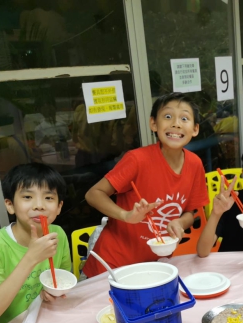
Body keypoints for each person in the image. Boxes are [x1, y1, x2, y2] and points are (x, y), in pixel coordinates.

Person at [82, 93, 209, 277]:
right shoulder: (137, 159)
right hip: (113, 264)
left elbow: (191, 212)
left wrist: (180, 222)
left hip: (155, 264)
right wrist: (125, 215)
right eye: (168, 116)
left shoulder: (195, 164)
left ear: (195, 129)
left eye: (184, 118)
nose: (176, 124)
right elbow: (94, 194)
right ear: (153, 124)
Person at [0, 163, 71, 323]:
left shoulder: (57, 234)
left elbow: (64, 279)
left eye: (48, 198)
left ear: (59, 207)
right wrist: (31, 258)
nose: (39, 205)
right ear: (10, 205)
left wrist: (51, 293)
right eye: (27, 197)